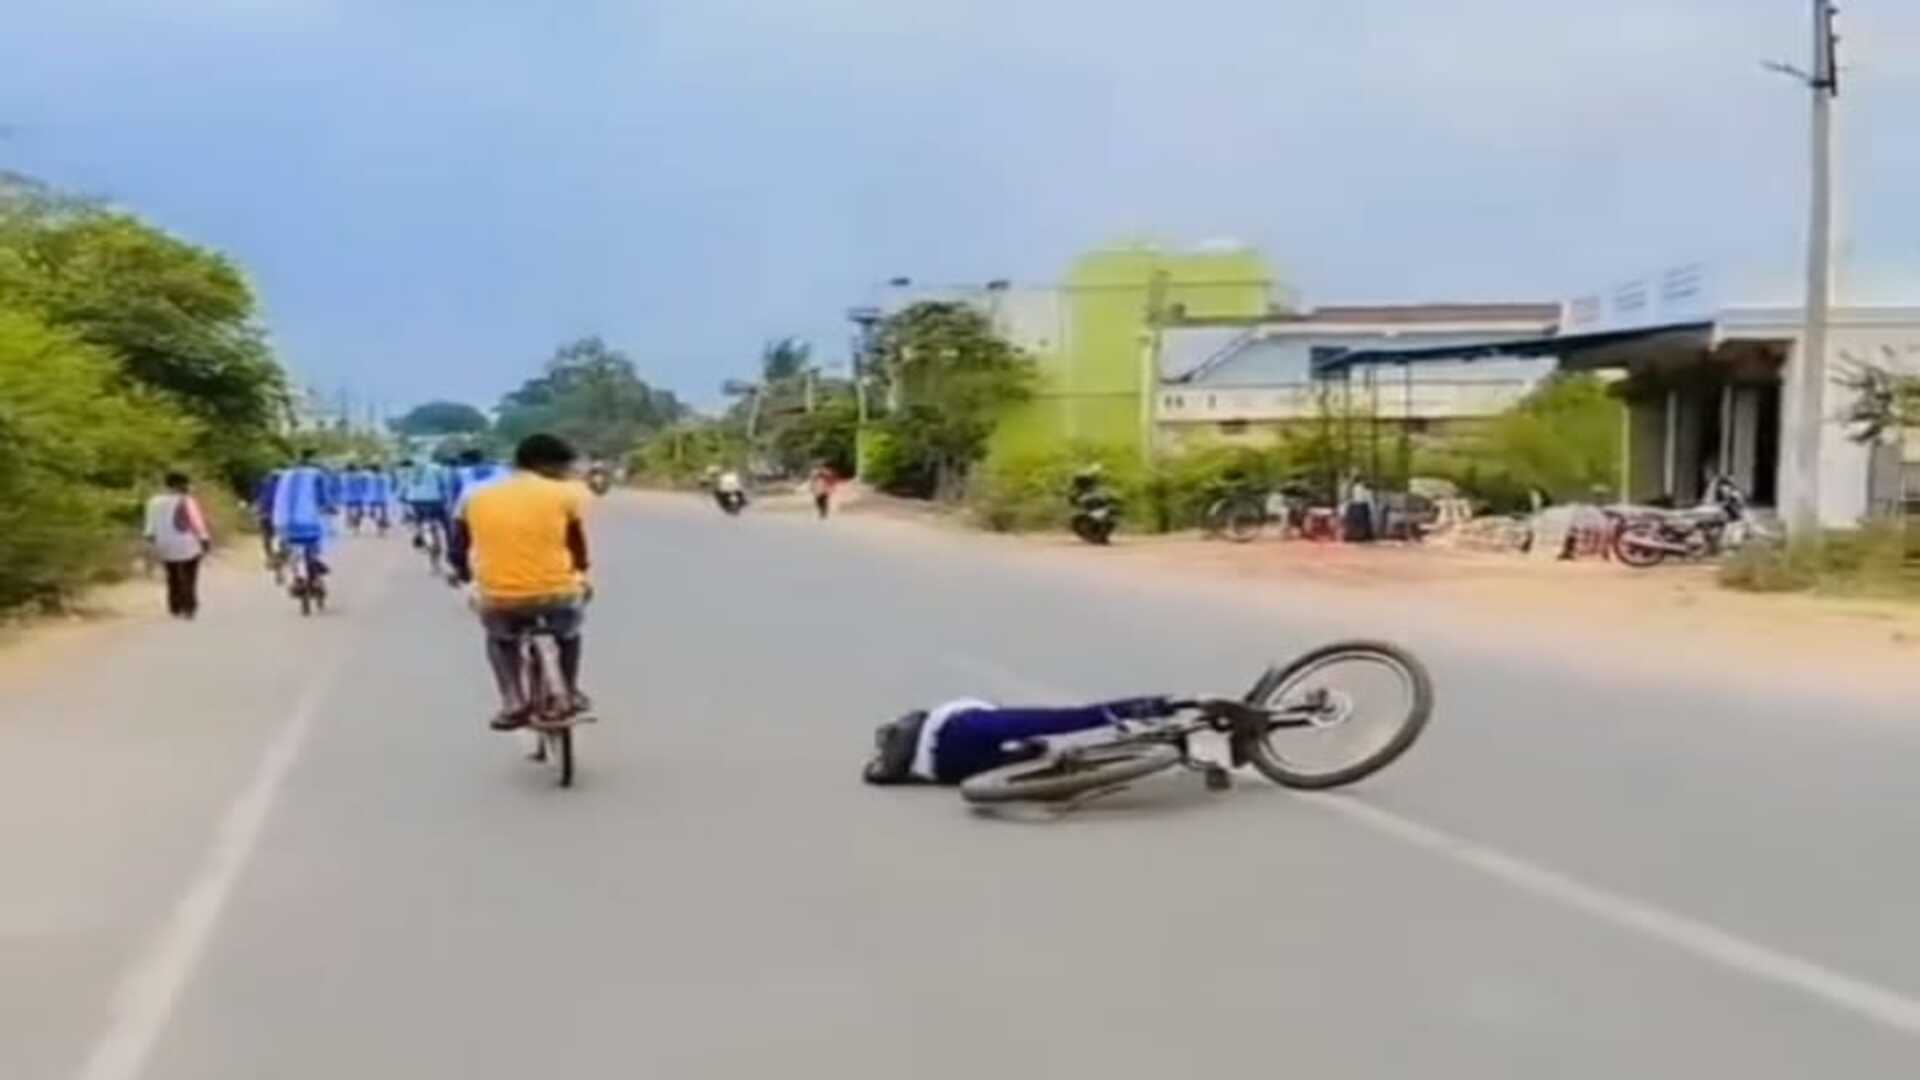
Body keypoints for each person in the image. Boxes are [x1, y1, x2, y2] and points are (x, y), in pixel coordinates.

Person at [448, 433, 591, 730]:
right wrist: (581, 576)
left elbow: (458, 547)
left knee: (501, 639)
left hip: (501, 595)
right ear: (545, 465)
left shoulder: (475, 495)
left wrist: (465, 576)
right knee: (569, 632)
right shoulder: (566, 494)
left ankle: (513, 700)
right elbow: (577, 547)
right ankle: (570, 691)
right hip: (557, 592)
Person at [862, 695, 1179, 785]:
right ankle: (1145, 706)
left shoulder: (906, 758)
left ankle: (1140, 708)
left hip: (949, 771)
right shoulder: (945, 716)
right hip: (961, 731)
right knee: (1061, 721)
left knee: (1041, 740)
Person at [144, 471, 213, 619]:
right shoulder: (187, 500)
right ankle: (189, 604)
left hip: (164, 544)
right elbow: (196, 522)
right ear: (181, 485)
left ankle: (174, 605)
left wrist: (151, 542)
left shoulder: (154, 502)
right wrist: (204, 539)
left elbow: (150, 527)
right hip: (187, 542)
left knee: (172, 574)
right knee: (190, 575)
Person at [271, 449, 337, 592]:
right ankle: (314, 568)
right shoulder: (316, 474)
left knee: (290, 548)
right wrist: (329, 508)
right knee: (315, 541)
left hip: (284, 522)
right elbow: (323, 498)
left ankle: (296, 579)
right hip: (308, 521)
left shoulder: (284, 475)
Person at [399, 457, 452, 549]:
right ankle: (451, 541)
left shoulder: (407, 471)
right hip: (434, 499)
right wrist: (445, 496)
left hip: (415, 500)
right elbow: (444, 483)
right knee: (445, 521)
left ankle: (418, 534)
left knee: (418, 518)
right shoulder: (437, 468)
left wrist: (402, 496)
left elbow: (404, 486)